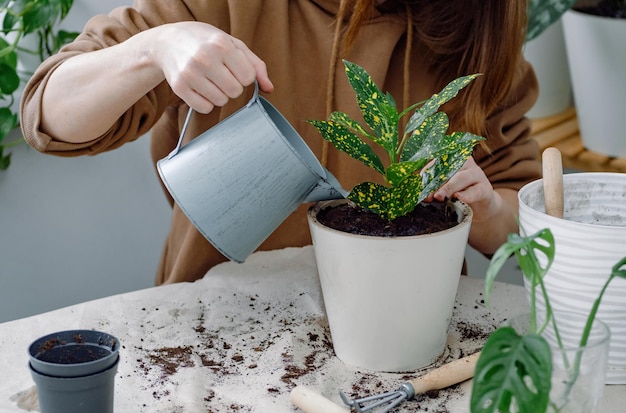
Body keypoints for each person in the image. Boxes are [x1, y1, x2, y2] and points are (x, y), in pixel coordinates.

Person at [20, 0, 541, 285]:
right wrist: (157, 48)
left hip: (407, 329)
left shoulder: (481, 29)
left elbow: (521, 220)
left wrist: (489, 206)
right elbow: (49, 114)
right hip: (220, 318)